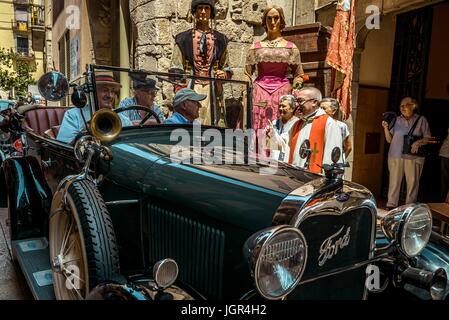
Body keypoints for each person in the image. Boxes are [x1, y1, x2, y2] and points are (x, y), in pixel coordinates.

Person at [170, 0, 232, 126]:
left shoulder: (221, 40)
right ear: (195, 11)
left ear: (211, 12)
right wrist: (181, 92)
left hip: (213, 89)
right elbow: (176, 69)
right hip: (190, 85)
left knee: (212, 124)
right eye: (200, 8)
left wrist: (223, 75)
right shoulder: (183, 39)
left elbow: (228, 68)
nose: (203, 12)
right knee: (189, 124)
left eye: (206, 8)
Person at [245, 5, 305, 132]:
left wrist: (296, 89)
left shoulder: (291, 47)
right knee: (258, 125)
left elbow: (299, 74)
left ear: (281, 20)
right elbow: (247, 73)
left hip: (282, 92)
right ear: (264, 21)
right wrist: (246, 91)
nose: (273, 22)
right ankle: (258, 150)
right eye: (269, 18)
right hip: (259, 92)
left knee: (279, 128)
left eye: (276, 18)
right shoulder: (255, 47)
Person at [381, 97, 431, 209]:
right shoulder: (396, 120)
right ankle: (391, 205)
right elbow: (389, 140)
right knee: (394, 181)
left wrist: (418, 142)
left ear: (413, 106)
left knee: (413, 182)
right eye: (401, 106)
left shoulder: (421, 120)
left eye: (405, 105)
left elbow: (428, 137)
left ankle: (409, 207)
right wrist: (385, 128)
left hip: (413, 157)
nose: (402, 108)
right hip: (395, 155)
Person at [57, 73, 132, 144]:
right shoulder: (73, 115)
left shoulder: (122, 119)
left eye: (112, 91)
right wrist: (85, 133)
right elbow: (64, 147)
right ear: (92, 93)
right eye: (105, 90)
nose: (110, 96)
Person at [288, 87, 343, 173]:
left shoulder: (329, 124)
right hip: (294, 177)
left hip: (315, 180)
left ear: (314, 102)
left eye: (300, 101)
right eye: (296, 101)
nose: (297, 105)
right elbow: (288, 150)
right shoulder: (297, 124)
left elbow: (332, 158)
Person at [265, 95, 299, 162]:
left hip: (289, 160)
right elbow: (270, 146)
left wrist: (274, 135)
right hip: (275, 160)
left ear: (292, 108)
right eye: (279, 106)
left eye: (283, 106)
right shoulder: (275, 123)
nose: (280, 108)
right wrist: (268, 136)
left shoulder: (297, 124)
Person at [439, 127, 449, 200]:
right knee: (445, 180)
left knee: (445, 180)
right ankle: (444, 201)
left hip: (446, 153)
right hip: (446, 153)